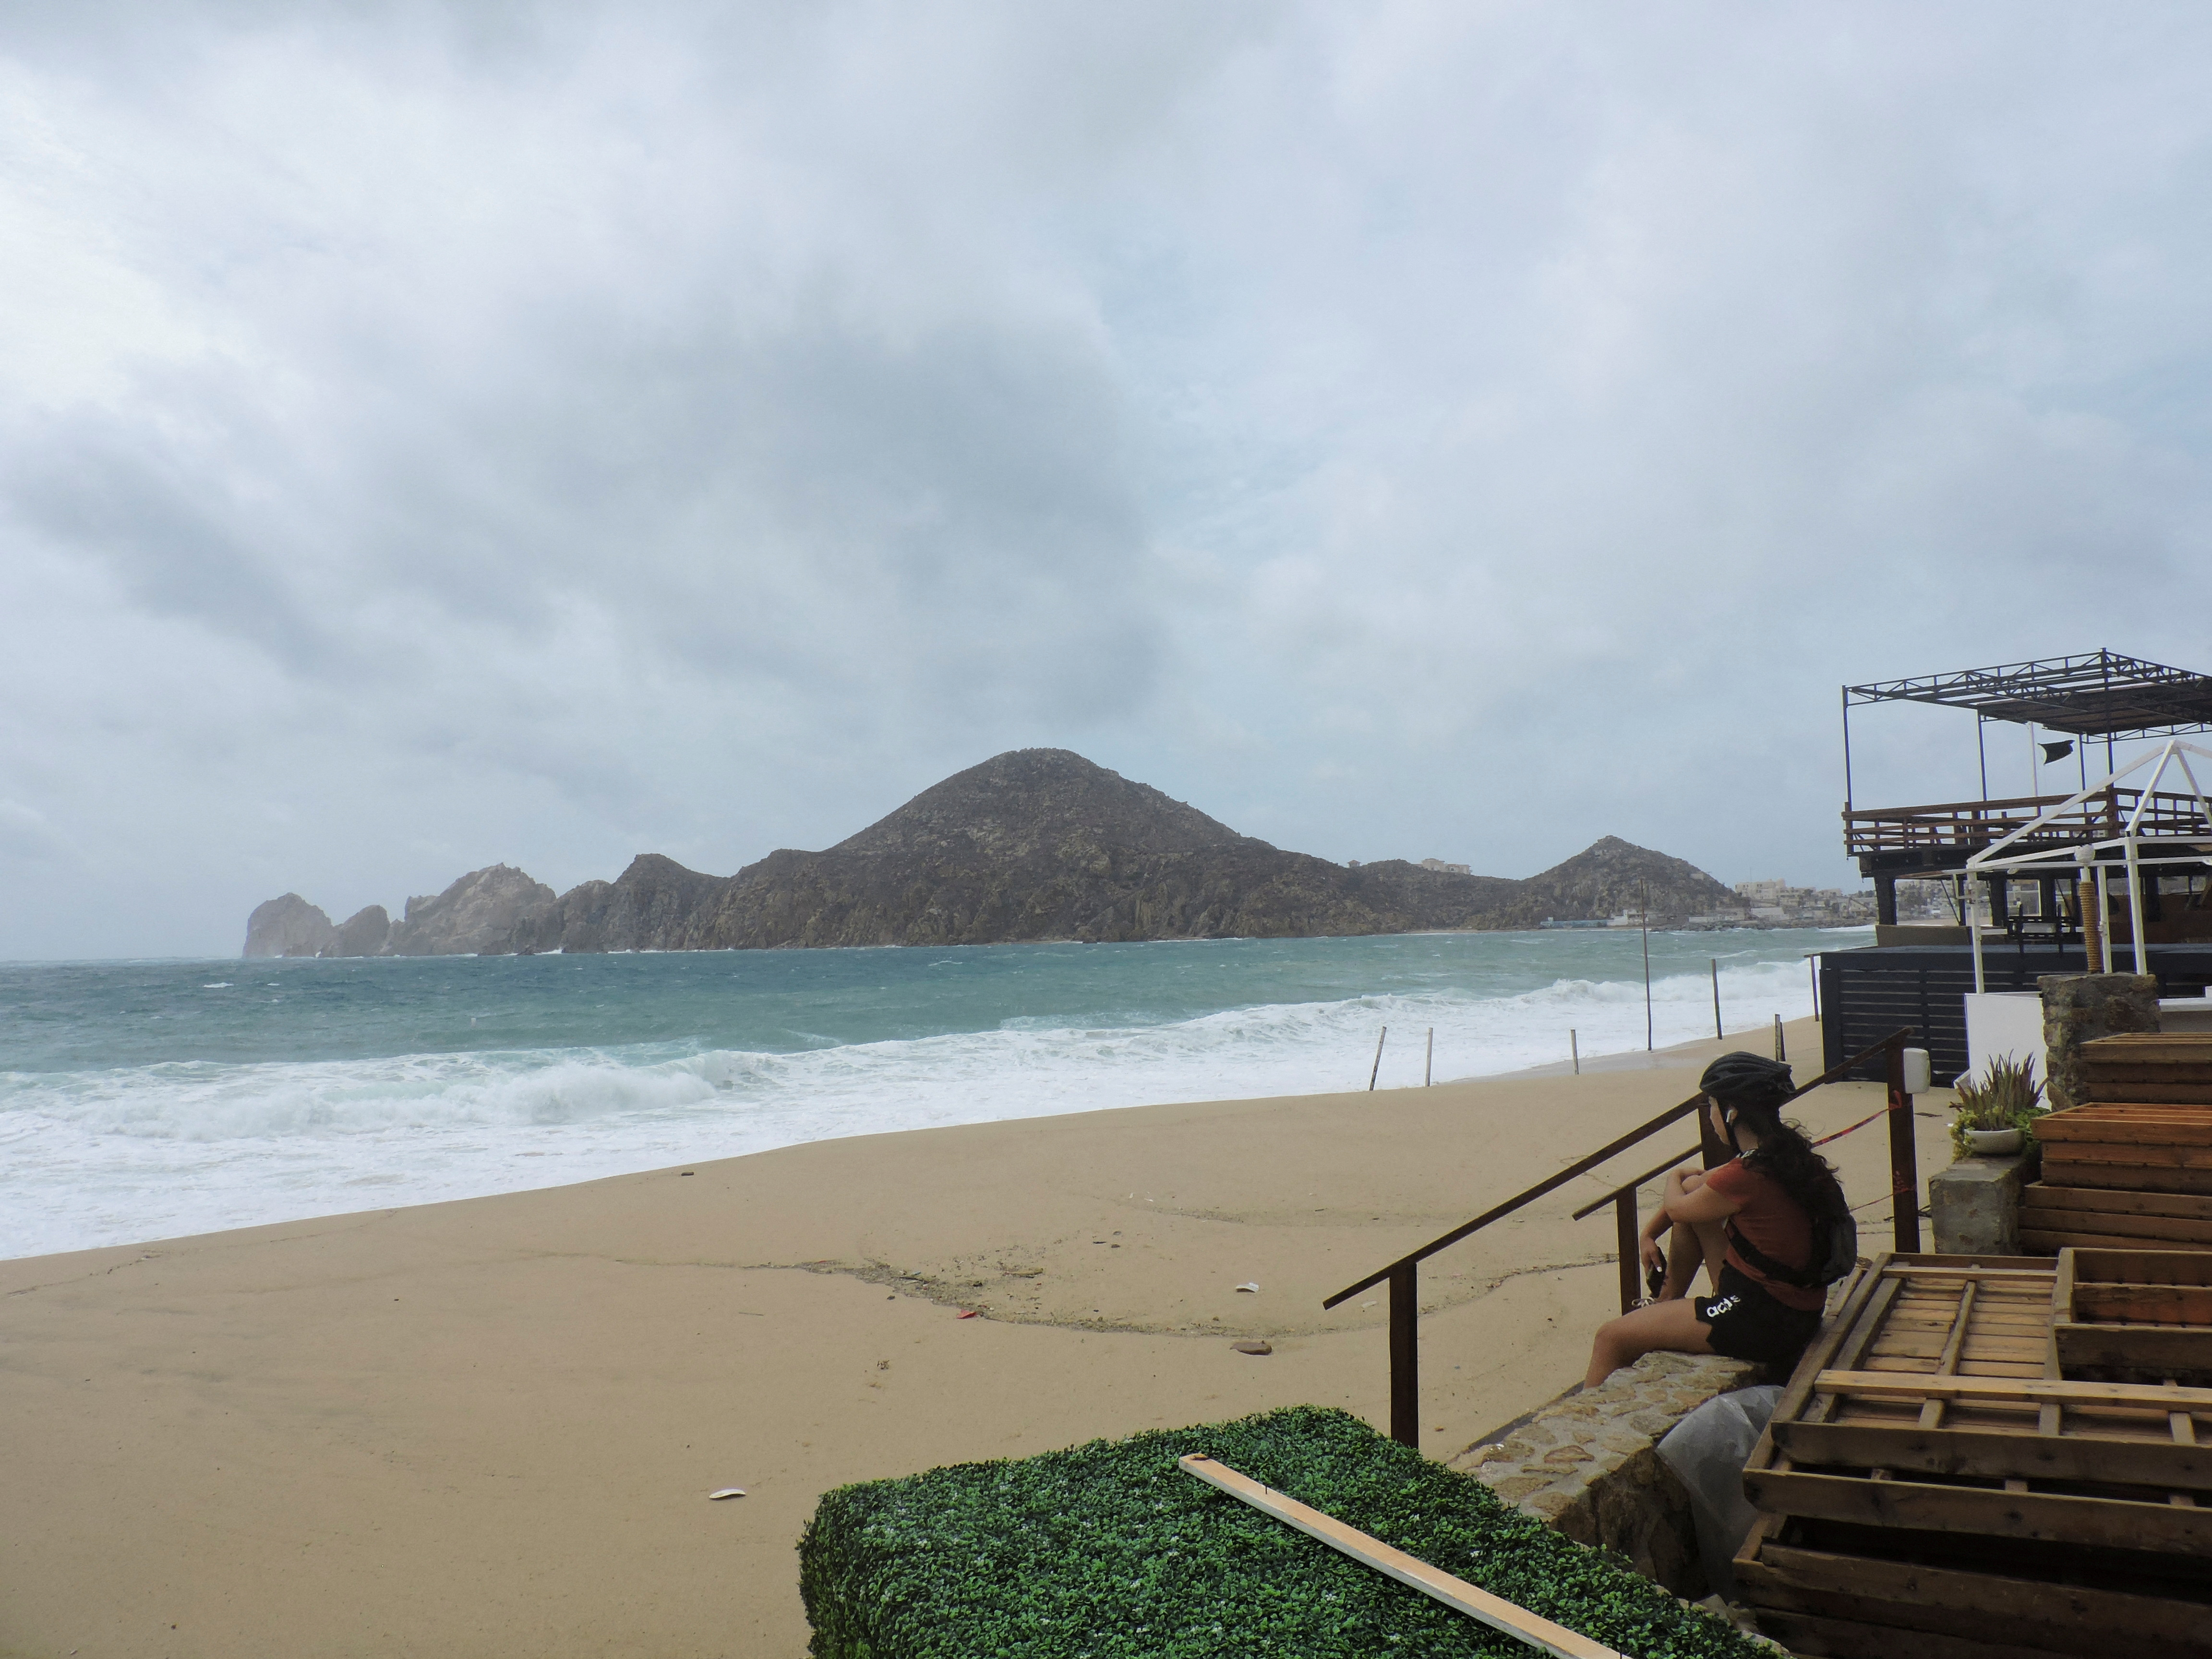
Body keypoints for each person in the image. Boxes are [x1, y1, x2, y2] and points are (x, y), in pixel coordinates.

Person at [1581, 1052, 1843, 1389]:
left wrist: (1672, 1176)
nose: (1710, 1116)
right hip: (1795, 1308)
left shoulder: (1748, 1173)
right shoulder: (1785, 1154)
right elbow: (1699, 1190)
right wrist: (1649, 1234)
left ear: (1731, 1112)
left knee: (1611, 1337)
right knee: (1697, 1199)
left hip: (1762, 1320)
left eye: (1711, 1106)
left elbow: (1679, 1208)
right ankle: (1666, 1306)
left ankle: (1593, 1435)